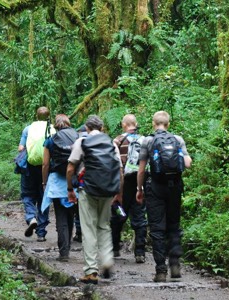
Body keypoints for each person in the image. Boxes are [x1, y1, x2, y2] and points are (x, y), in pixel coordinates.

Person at [136, 111, 192, 282]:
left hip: (155, 188)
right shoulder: (178, 139)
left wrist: (139, 189)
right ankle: (175, 264)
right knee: (174, 225)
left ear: (154, 123)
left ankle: (161, 271)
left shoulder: (148, 140)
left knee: (157, 228)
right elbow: (188, 164)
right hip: (175, 187)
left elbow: (142, 169)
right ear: (168, 124)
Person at [66, 115, 123, 284]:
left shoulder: (82, 142)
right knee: (104, 226)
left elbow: (70, 168)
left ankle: (91, 270)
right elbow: (120, 170)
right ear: (102, 128)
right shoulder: (111, 143)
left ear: (87, 128)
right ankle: (106, 260)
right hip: (108, 191)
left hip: (87, 190)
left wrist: (70, 189)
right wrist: (118, 193)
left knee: (89, 228)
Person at [41, 114, 78, 261]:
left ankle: (64, 253)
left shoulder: (50, 141)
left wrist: (44, 183)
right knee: (71, 216)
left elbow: (45, 164)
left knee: (61, 217)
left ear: (56, 125)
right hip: (75, 182)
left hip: (57, 183)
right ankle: (67, 247)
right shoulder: (78, 137)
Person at [111, 114, 148, 263]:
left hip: (123, 184)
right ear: (135, 124)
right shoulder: (144, 140)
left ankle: (114, 248)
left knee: (118, 214)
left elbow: (115, 166)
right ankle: (140, 252)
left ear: (123, 124)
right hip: (140, 183)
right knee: (139, 217)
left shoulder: (117, 141)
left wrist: (116, 190)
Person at [18, 107, 55, 242]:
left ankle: (31, 217)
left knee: (27, 194)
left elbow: (21, 148)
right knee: (43, 197)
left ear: (36, 116)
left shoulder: (28, 129)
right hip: (47, 168)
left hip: (30, 167)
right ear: (48, 116)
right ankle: (41, 233)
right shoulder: (52, 129)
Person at [72, 124, 88, 243]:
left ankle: (79, 233)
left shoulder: (77, 142)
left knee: (78, 209)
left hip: (81, 179)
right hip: (97, 181)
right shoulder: (99, 142)